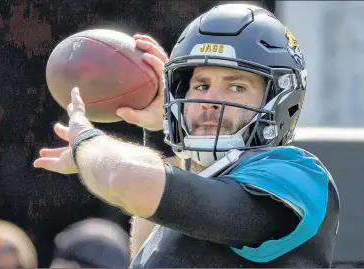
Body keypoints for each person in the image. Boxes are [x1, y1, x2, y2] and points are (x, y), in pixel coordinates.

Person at [34, 3, 341, 268]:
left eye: (236, 86)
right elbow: (148, 247)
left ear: (279, 99)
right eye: (201, 85)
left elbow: (128, 182)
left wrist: (86, 142)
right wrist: (158, 132)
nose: (209, 100)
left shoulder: (298, 175)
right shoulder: (202, 185)